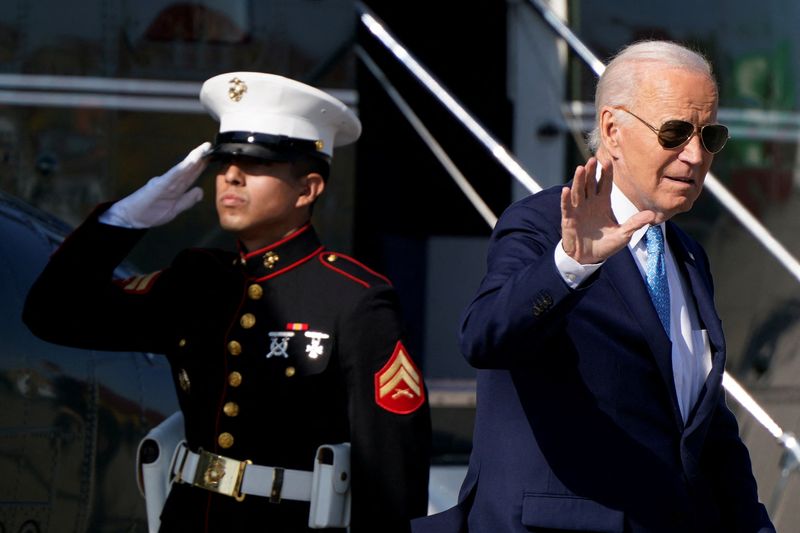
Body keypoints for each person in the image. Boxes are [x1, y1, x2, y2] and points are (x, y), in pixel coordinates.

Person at [23, 72, 431, 532]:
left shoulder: (351, 297)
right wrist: (122, 221)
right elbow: (51, 313)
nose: (231, 176)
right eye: (225, 161)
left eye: (257, 164)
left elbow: (393, 471)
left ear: (308, 189)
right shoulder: (197, 281)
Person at [412, 41, 775, 533]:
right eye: (675, 132)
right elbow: (484, 335)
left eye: (710, 135)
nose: (694, 155)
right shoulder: (542, 226)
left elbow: (701, 428)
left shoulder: (687, 253)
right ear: (612, 129)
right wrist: (571, 265)